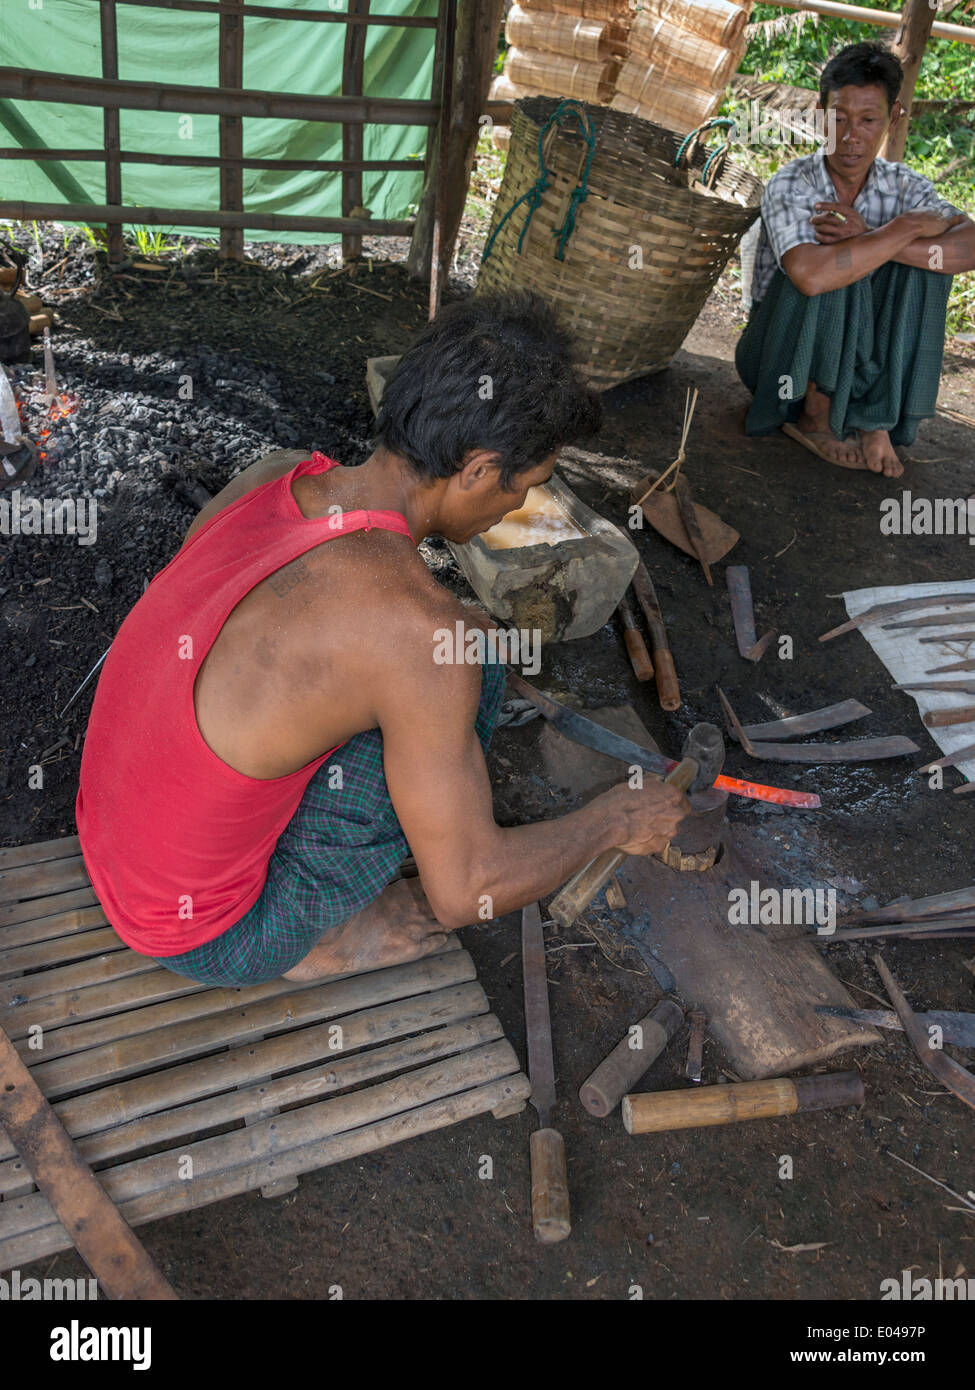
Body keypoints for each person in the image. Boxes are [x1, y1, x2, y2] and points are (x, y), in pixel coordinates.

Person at [76, 292, 688, 987]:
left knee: (451, 659)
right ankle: (322, 942)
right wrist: (616, 819)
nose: (519, 505)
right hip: (204, 937)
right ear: (479, 470)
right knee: (463, 667)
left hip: (112, 843)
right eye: (528, 484)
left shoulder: (274, 475)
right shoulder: (416, 632)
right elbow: (467, 890)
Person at [735, 41, 974, 478]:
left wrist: (876, 237)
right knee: (831, 261)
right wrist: (901, 230)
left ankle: (872, 418)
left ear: (894, 117)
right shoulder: (793, 182)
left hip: (862, 359)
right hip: (782, 358)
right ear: (818, 111)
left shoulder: (904, 185)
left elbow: (969, 245)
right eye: (838, 119)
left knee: (928, 268)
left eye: (868, 121)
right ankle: (815, 415)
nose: (850, 137)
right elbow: (807, 276)